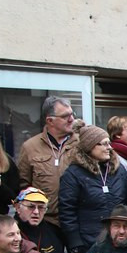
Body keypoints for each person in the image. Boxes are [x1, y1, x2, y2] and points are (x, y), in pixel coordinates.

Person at [58, 121, 127, 253]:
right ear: (90, 146)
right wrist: (75, 243)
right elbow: (67, 211)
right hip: (88, 242)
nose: (109, 148)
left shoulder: (119, 171)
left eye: (109, 143)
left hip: (119, 240)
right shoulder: (73, 174)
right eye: (103, 144)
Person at [17, 95, 76, 229]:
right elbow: (23, 186)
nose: (71, 119)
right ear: (50, 120)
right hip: (46, 222)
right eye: (65, 116)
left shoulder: (81, 144)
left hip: (76, 220)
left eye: (72, 114)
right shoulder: (30, 147)